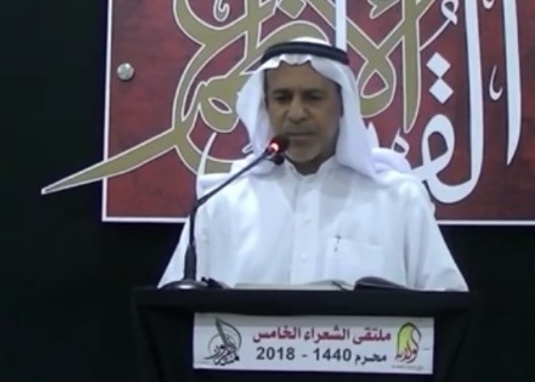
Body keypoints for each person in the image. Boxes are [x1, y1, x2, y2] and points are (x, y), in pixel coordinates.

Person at [158, 37, 468, 291]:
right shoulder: (220, 204)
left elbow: (447, 307)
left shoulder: (399, 200)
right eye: (282, 98)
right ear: (266, 106)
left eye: (313, 97)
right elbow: (173, 311)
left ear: (343, 104)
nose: (296, 113)